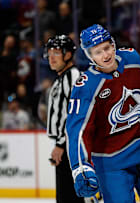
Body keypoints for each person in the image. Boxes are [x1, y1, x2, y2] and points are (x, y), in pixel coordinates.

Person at [66, 24, 140, 203]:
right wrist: (80, 166)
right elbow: (78, 130)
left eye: (107, 47)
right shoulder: (86, 86)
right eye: (97, 52)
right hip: (112, 164)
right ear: (89, 56)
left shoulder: (132, 58)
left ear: (114, 44)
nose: (105, 55)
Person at [44, 35, 84, 203]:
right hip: (66, 145)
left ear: (68, 55)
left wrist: (61, 144)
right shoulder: (62, 78)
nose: (51, 57)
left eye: (56, 52)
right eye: (49, 52)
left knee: (68, 197)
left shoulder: (72, 77)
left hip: (70, 146)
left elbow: (75, 114)